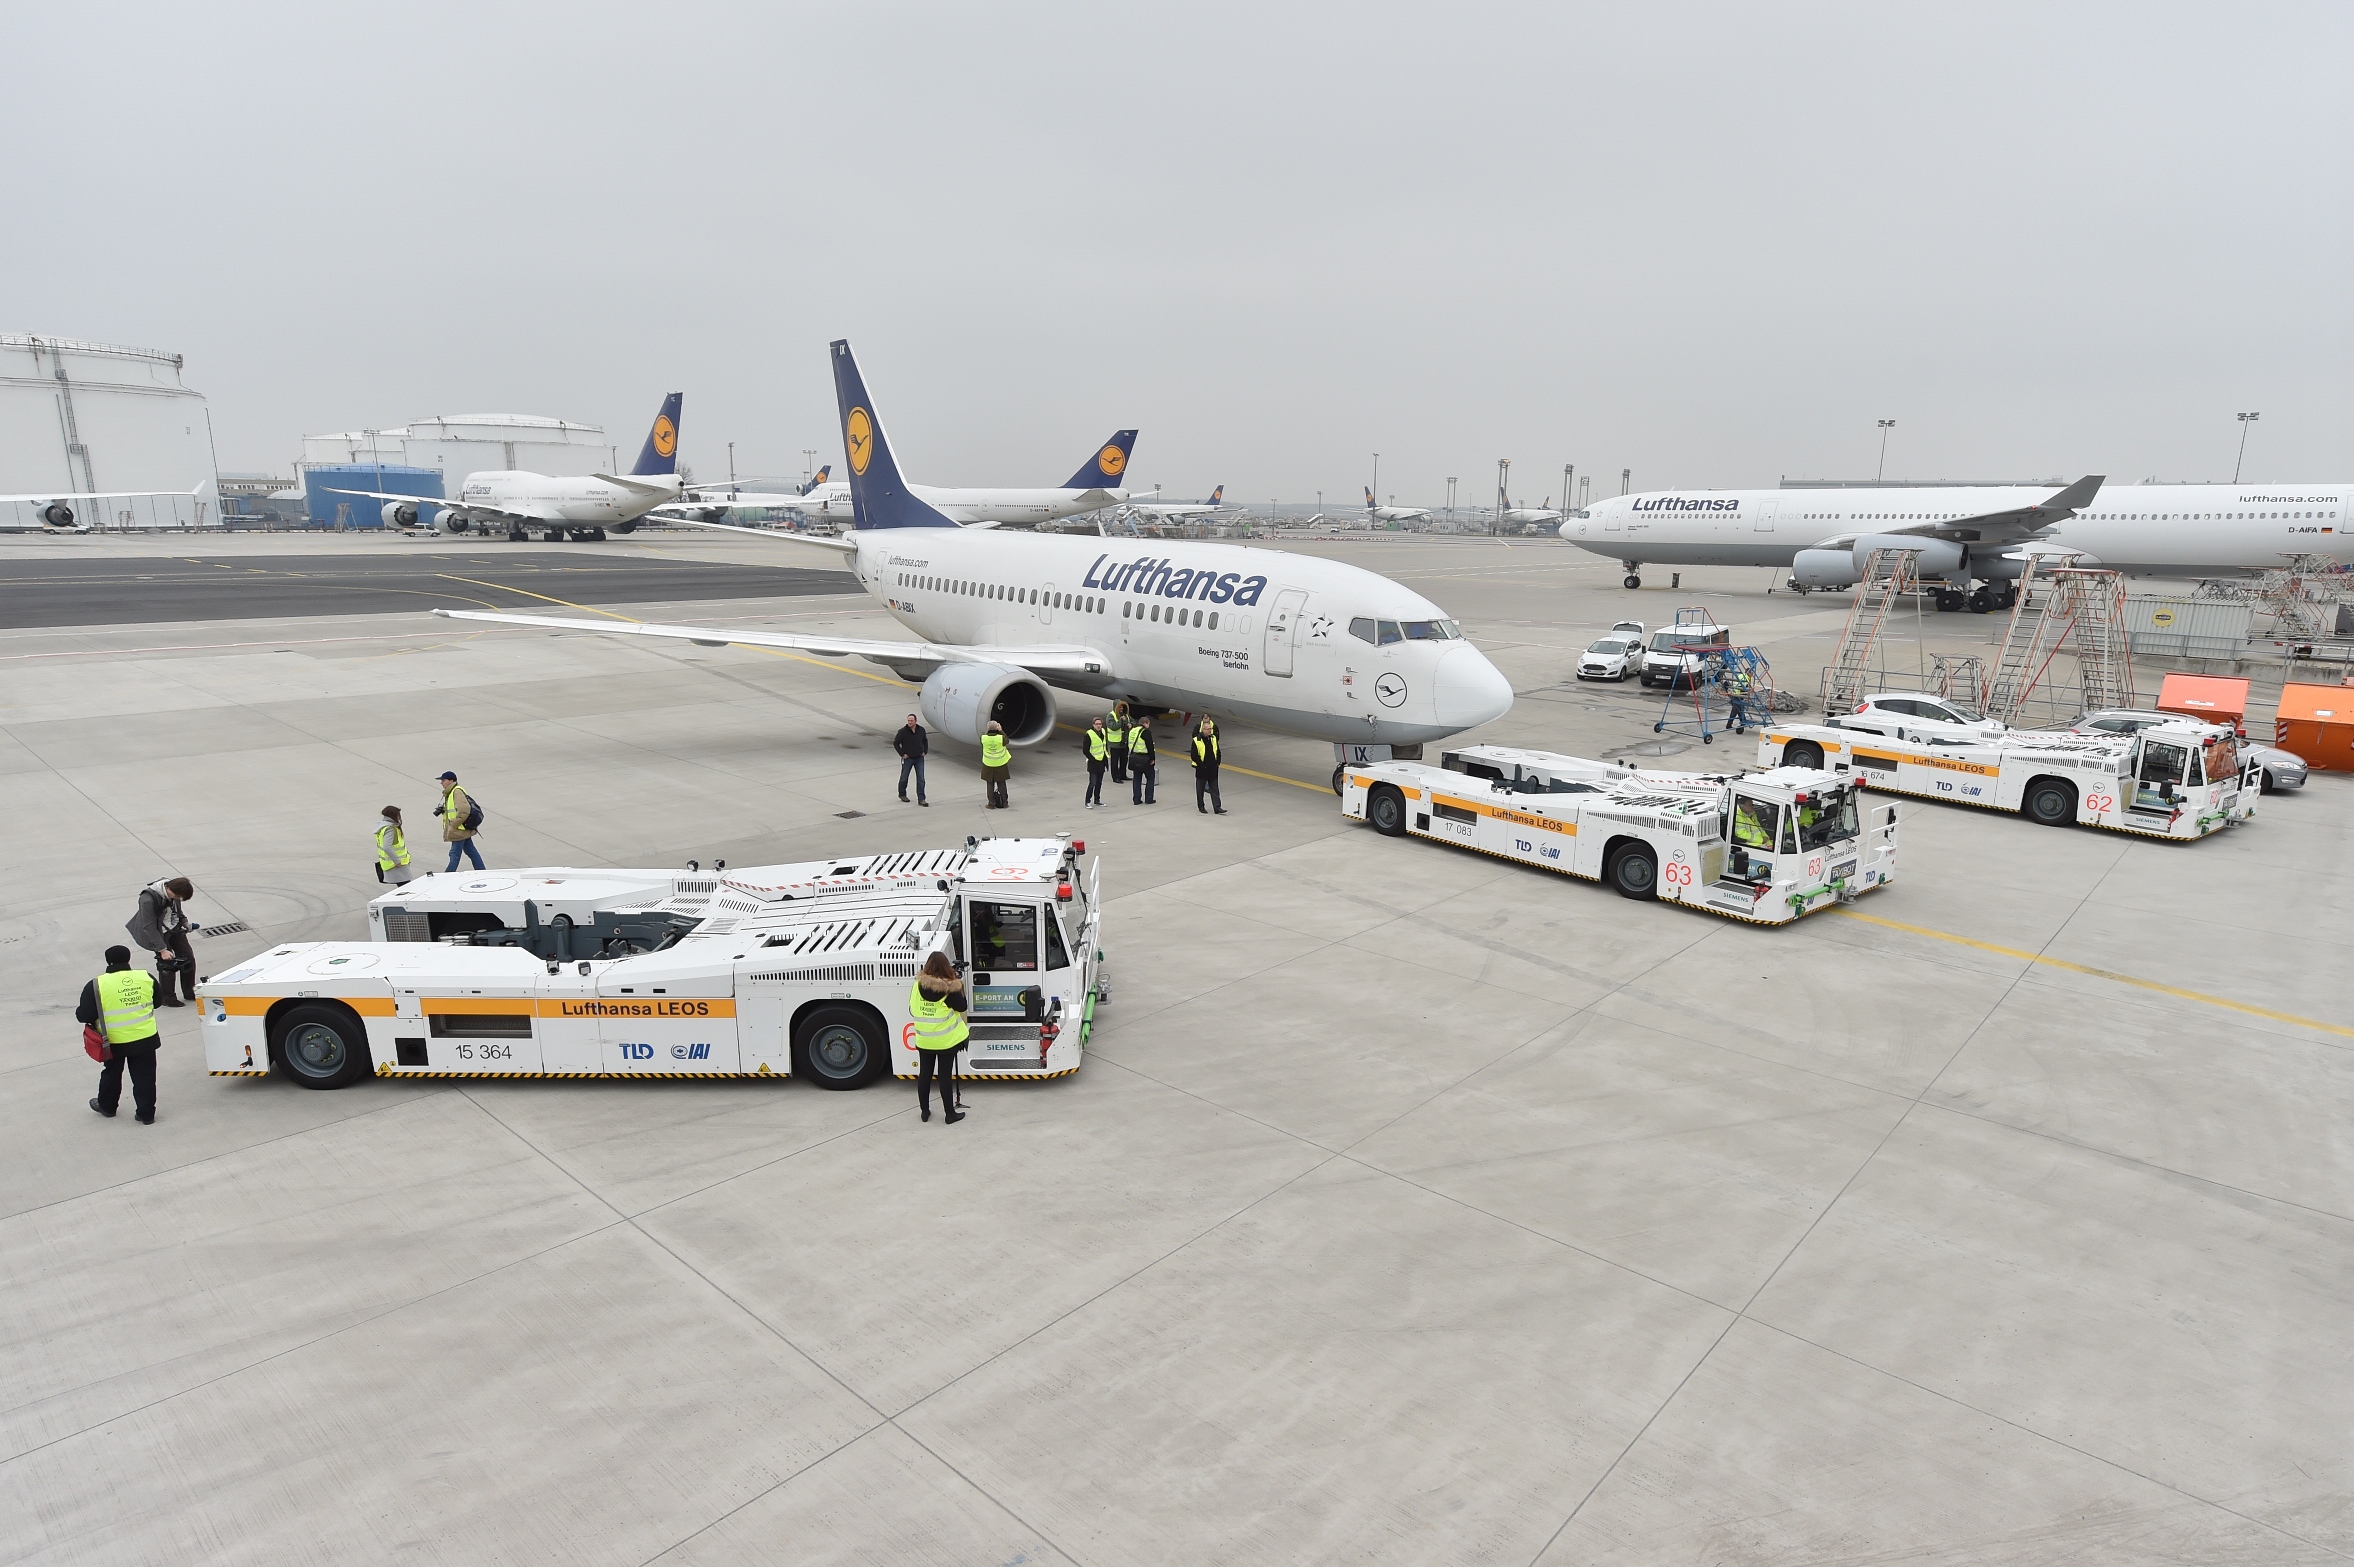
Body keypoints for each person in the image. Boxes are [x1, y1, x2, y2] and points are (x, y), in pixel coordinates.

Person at [81, 945, 162, 1124]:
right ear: (128, 958)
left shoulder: (97, 984)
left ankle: (107, 1107)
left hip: (113, 1041)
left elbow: (84, 1015)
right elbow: (157, 1002)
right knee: (145, 1077)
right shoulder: (145, 977)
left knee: (112, 1073)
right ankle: (146, 1114)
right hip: (145, 1038)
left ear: (107, 961)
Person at [907, 951, 968, 1124]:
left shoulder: (916, 985)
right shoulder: (950, 988)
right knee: (944, 1077)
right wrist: (957, 983)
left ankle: (925, 1112)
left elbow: (911, 1009)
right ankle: (950, 1114)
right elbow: (962, 1007)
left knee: (924, 1074)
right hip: (945, 1041)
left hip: (924, 1039)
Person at [126, 876, 196, 1007]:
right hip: (159, 932)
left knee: (188, 958)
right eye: (177, 896)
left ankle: (190, 991)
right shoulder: (147, 900)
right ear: (168, 888)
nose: (178, 899)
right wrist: (162, 949)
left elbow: (178, 911)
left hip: (174, 928)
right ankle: (168, 998)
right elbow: (148, 927)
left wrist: (185, 922)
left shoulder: (175, 893)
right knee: (168, 965)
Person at [434, 771, 485, 871]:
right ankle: (481, 870)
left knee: (454, 854)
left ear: (451, 781)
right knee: (470, 851)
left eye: (443, 780)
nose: (441, 783)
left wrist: (454, 825)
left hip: (459, 829)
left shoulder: (456, 792)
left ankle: (447, 876)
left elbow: (464, 811)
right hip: (460, 828)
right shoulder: (451, 792)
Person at [1191, 718, 1226, 814]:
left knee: (1214, 788)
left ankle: (1217, 807)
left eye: (1210, 729)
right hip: (1202, 769)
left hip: (1213, 768)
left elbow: (1217, 751)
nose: (1210, 730)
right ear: (1203, 730)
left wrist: (1217, 762)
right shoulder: (1197, 740)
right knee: (1200, 789)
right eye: (1208, 729)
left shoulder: (1213, 738)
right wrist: (1201, 766)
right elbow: (1194, 755)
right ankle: (1201, 806)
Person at [894, 713, 930, 806]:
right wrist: (902, 754)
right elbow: (896, 743)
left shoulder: (921, 730)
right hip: (908, 758)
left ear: (915, 721)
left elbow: (925, 741)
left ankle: (921, 799)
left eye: (911, 721)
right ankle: (902, 794)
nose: (909, 722)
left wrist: (925, 751)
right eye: (908, 720)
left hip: (919, 758)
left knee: (921, 779)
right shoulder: (902, 731)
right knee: (904, 777)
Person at [375, 806, 415, 884]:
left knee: (405, 886)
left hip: (393, 864)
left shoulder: (382, 827)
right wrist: (397, 861)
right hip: (396, 865)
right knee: (406, 887)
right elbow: (387, 847)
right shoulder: (390, 829)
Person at [979, 722, 1012, 809]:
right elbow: (1007, 740)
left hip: (988, 764)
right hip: (1000, 764)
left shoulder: (983, 738)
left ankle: (991, 804)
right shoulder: (1001, 738)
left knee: (990, 784)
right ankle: (1005, 803)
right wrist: (1001, 731)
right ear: (997, 728)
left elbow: (983, 741)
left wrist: (990, 730)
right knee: (1001, 784)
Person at [1129, 712, 1158, 804]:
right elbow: (1150, 746)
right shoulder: (1145, 732)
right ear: (1145, 723)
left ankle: (1136, 799)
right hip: (1145, 758)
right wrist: (1152, 759)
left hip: (1134, 757)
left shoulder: (1132, 731)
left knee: (1137, 779)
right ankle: (1149, 798)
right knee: (1150, 778)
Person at [1083, 717, 1111, 809]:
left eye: (1100, 724)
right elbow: (1085, 750)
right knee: (1092, 783)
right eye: (1097, 724)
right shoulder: (1089, 734)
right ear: (1093, 725)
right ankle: (1087, 801)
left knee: (1099, 783)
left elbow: (1104, 745)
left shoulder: (1103, 732)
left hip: (1102, 761)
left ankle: (1097, 799)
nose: (1099, 726)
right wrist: (1092, 758)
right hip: (1093, 763)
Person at [1105, 702, 1132, 785]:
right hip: (1115, 743)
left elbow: (1132, 721)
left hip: (1124, 742)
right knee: (1115, 761)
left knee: (1124, 760)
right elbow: (1113, 726)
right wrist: (1121, 721)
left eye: (1122, 708)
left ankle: (1123, 774)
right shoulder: (1110, 716)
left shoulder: (1125, 715)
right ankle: (1115, 777)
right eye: (1119, 708)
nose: (1121, 709)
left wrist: (1131, 724)